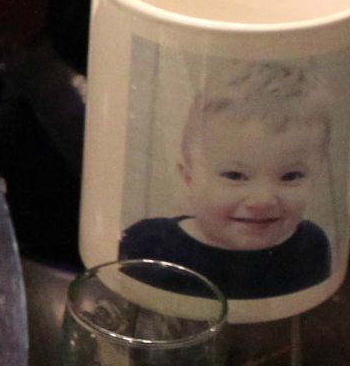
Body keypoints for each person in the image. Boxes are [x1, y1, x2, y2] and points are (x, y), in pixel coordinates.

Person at [119, 61, 335, 299]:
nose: (262, 200)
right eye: (235, 175)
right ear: (189, 178)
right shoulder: (149, 245)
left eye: (291, 176)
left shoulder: (311, 244)